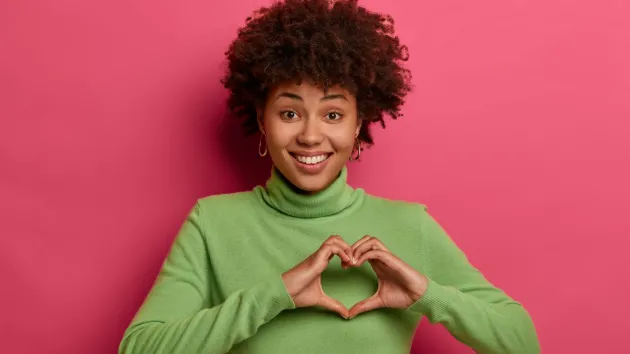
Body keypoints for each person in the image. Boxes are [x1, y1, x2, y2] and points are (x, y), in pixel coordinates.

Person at [118, 0, 540, 353]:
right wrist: (274, 295)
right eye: (289, 113)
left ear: (359, 124)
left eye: (333, 114)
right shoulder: (212, 224)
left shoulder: (411, 225)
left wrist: (427, 295)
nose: (310, 135)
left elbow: (521, 341)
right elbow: (139, 347)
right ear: (261, 119)